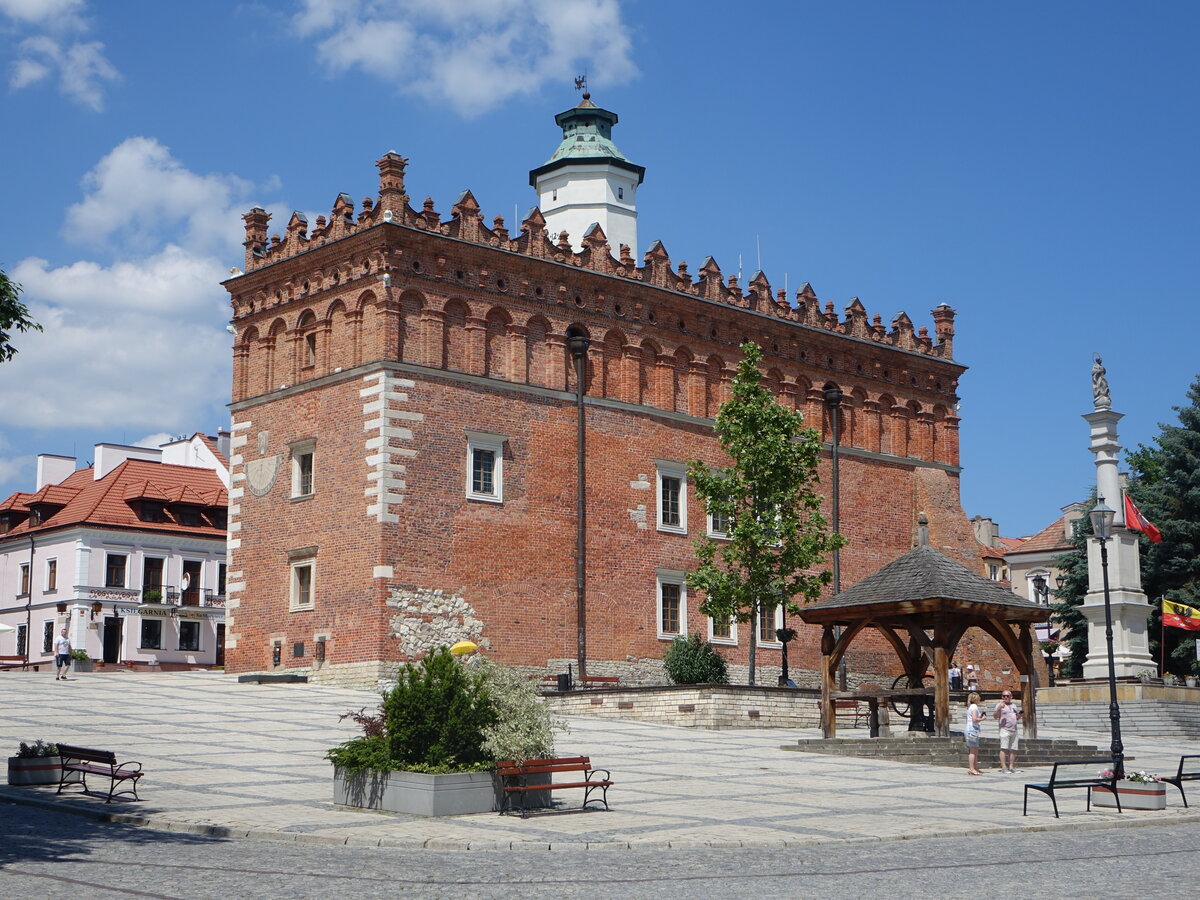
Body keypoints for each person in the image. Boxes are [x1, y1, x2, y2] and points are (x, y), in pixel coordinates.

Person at [993, 689, 1023, 773]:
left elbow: (1016, 717)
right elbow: (995, 716)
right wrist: (999, 708)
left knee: (1013, 749)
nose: (1005, 697)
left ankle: (1011, 766)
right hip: (1004, 729)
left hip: (1014, 729)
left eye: (1007, 696)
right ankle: (1004, 767)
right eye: (1004, 696)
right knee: (1004, 748)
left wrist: (1019, 716)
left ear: (1011, 697)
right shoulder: (1000, 705)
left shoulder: (1014, 706)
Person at [964, 691, 985, 775]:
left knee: (975, 749)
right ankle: (972, 768)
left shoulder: (971, 707)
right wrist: (983, 718)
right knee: (973, 750)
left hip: (972, 729)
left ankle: (975, 768)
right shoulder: (974, 707)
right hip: (972, 729)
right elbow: (974, 719)